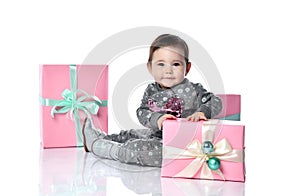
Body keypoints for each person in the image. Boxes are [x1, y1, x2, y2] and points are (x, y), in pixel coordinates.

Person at [82, 34, 223, 167]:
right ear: (150, 67)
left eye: (176, 64)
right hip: (155, 134)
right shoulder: (152, 90)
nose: (168, 71)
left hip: (177, 144)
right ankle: (102, 138)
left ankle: (105, 149)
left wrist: (202, 112)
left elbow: (215, 101)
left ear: (187, 67)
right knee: (131, 134)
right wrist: (157, 119)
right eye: (161, 64)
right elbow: (142, 112)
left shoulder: (193, 90)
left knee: (139, 148)